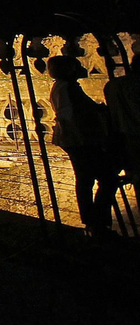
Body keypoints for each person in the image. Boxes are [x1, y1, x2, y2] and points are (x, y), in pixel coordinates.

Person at [47, 54, 119, 236]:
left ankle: (93, 222)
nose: (81, 68)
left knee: (87, 179)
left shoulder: (64, 87)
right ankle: (97, 222)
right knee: (106, 178)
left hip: (76, 140)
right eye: (76, 65)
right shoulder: (67, 88)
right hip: (80, 140)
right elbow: (69, 115)